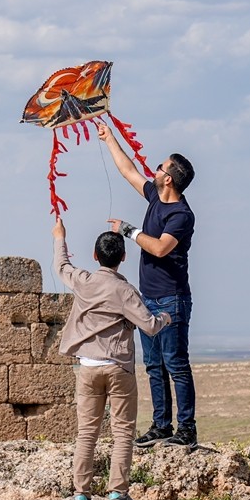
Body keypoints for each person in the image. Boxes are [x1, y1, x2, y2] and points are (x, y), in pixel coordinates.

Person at [53, 217, 172, 500]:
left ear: (95, 256)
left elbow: (61, 266)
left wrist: (60, 236)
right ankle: (118, 496)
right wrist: (167, 318)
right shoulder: (126, 291)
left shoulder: (83, 281)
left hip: (89, 368)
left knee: (87, 433)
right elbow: (150, 326)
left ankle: (81, 496)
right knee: (122, 432)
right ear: (123, 257)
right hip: (118, 368)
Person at [98, 122, 198, 448]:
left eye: (160, 166)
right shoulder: (155, 197)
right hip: (149, 299)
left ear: (169, 178)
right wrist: (109, 137)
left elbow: (159, 248)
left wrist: (127, 229)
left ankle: (187, 430)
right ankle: (161, 425)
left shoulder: (181, 214)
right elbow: (128, 170)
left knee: (176, 364)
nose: (154, 169)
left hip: (172, 300)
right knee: (154, 365)